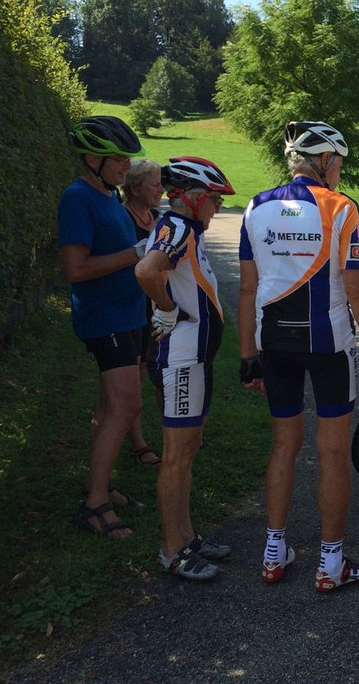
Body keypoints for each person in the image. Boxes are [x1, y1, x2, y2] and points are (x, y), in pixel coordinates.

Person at [238, 121, 359, 591]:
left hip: (273, 345)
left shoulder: (255, 206)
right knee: (332, 451)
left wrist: (247, 356)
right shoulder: (340, 206)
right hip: (328, 344)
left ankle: (273, 553)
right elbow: (356, 288)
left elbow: (247, 288)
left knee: (283, 445)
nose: (339, 171)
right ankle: (330, 562)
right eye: (338, 162)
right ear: (324, 160)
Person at [135, 157, 235, 580]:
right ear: (193, 198)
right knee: (176, 457)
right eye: (215, 199)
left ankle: (187, 536)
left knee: (188, 451)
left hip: (195, 358)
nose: (218, 207)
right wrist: (165, 308)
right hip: (182, 359)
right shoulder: (177, 228)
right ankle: (172, 550)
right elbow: (146, 270)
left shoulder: (185, 229)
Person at [59, 116, 148, 539]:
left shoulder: (109, 195)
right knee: (126, 407)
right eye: (118, 159)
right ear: (92, 159)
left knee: (108, 408)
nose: (126, 167)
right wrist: (136, 253)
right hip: (105, 317)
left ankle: (101, 483)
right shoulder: (78, 198)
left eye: (128, 159)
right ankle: (94, 505)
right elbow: (75, 269)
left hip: (127, 314)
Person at [121, 158, 166, 467]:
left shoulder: (159, 218)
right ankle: (138, 443)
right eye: (155, 184)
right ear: (135, 187)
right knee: (134, 376)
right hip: (131, 306)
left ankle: (175, 434)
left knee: (162, 370)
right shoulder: (122, 217)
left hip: (159, 306)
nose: (161, 190)